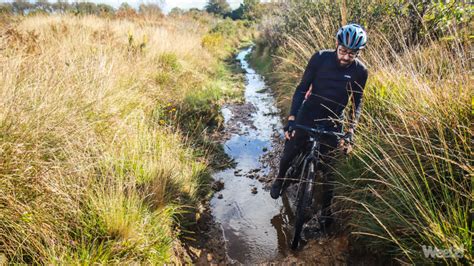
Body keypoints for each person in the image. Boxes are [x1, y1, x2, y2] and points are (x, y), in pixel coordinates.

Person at [270, 24, 369, 226]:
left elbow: (356, 105)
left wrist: (350, 131)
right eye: (342, 51)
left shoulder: (360, 71)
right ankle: (280, 179)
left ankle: (326, 210)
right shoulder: (320, 58)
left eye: (351, 54)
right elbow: (301, 89)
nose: (345, 57)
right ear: (336, 45)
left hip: (334, 118)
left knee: (331, 168)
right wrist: (291, 120)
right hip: (309, 112)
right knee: (291, 146)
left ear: (359, 52)